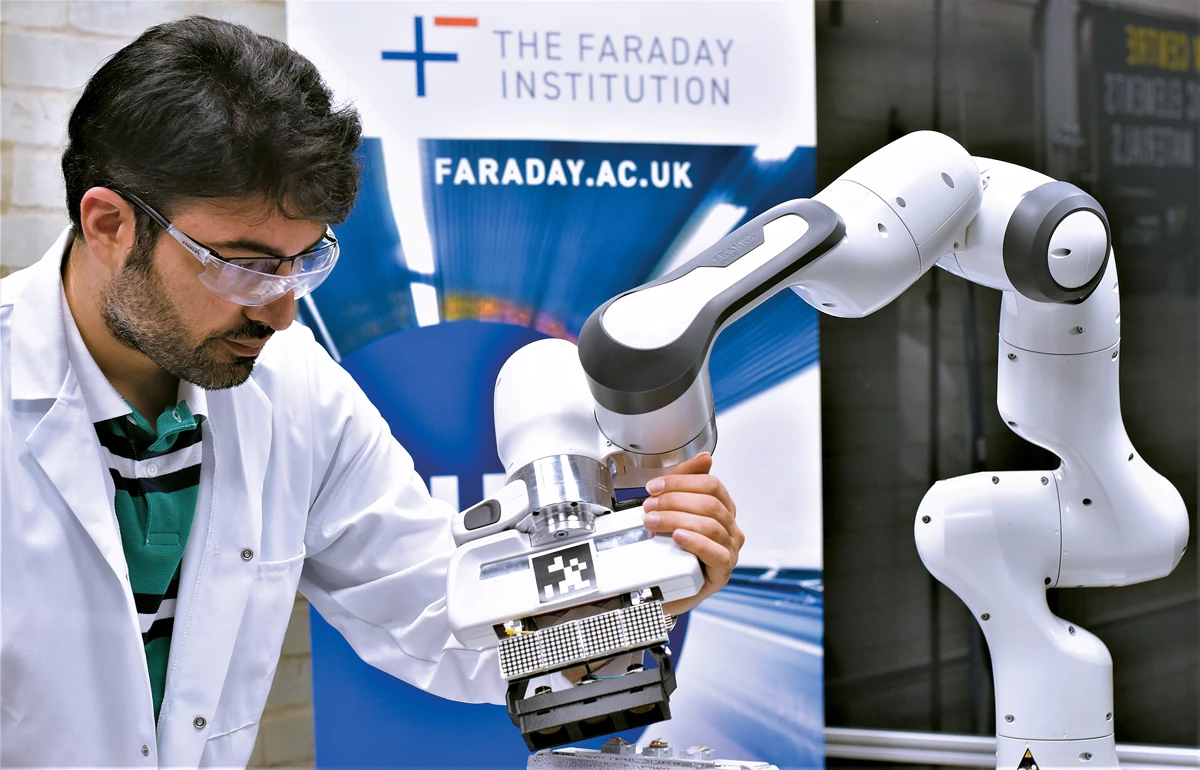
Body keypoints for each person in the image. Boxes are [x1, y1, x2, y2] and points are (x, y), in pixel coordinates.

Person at [0, 16, 744, 766]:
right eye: (244, 267)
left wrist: (626, 596)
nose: (281, 313)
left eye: (303, 263)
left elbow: (438, 614)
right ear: (110, 226)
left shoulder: (295, 393)